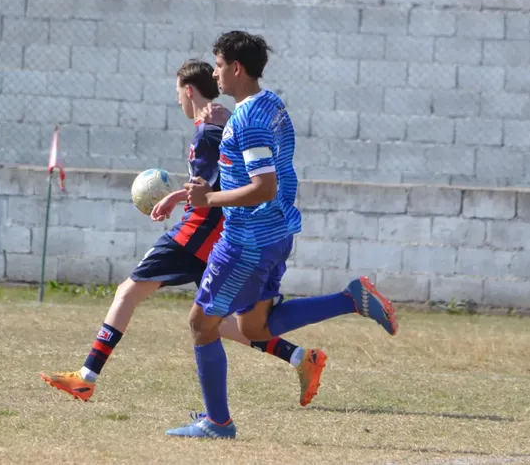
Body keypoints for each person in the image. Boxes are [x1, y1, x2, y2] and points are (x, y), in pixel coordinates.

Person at [39, 59, 327, 406]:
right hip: (216, 237)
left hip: (198, 233)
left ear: (188, 91)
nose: (177, 101)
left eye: (178, 93)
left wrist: (177, 197)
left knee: (127, 292)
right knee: (214, 322)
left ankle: (86, 378)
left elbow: (220, 184)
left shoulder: (207, 133)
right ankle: (301, 358)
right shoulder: (215, 126)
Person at [166, 31, 399, 440]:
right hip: (275, 233)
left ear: (236, 68)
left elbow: (265, 184)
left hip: (246, 240)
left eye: (219, 66)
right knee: (256, 329)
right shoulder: (271, 104)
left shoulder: (247, 119)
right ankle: (351, 298)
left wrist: (209, 198)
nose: (215, 74)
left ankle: (218, 423)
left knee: (202, 324)